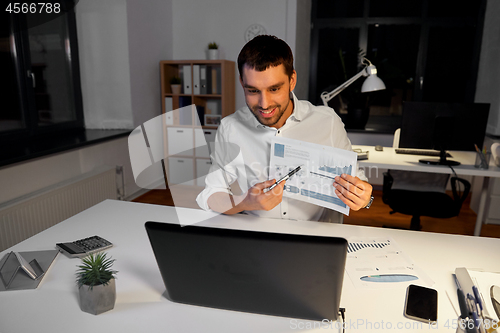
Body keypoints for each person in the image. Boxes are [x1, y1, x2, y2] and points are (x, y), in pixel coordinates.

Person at [196, 35, 373, 222]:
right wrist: (246, 202)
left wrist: (364, 198)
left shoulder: (327, 122)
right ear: (242, 83)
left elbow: (357, 182)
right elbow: (211, 195)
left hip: (317, 241)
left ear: (292, 80)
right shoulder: (230, 128)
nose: (264, 104)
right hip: (259, 240)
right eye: (253, 91)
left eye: (274, 89)